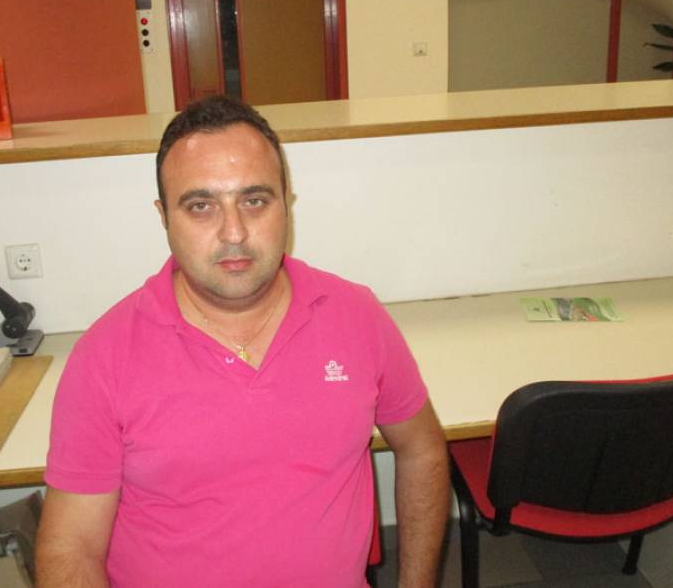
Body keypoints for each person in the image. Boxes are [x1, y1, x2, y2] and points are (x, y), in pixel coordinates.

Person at [35, 95, 449, 587]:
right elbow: (70, 549)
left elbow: (422, 449)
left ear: (286, 202)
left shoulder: (357, 315)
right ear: (164, 216)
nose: (234, 232)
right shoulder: (104, 356)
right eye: (201, 206)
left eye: (254, 201)